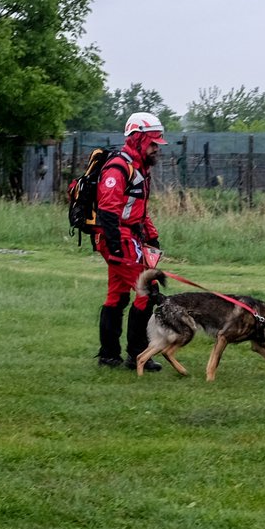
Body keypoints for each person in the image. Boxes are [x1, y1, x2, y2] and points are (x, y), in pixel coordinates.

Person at [95, 112, 168, 371]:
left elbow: (138, 210)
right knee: (147, 290)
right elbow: (108, 211)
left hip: (129, 237)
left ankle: (108, 355)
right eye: (153, 143)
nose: (156, 149)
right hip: (116, 238)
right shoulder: (118, 168)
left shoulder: (139, 168)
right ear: (138, 139)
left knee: (116, 295)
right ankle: (138, 355)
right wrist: (115, 247)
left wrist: (152, 237)